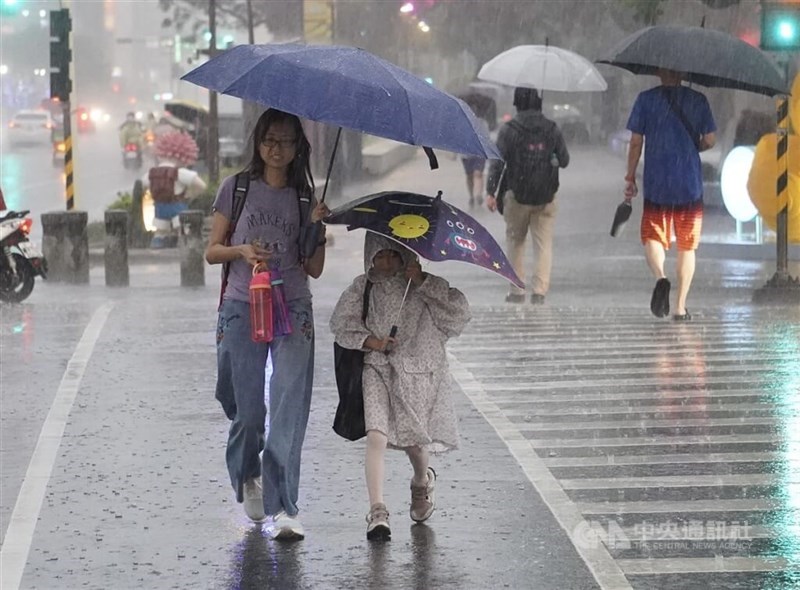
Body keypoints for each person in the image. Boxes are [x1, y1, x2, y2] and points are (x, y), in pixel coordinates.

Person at [205, 108, 329, 540]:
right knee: (249, 413)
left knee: (288, 410)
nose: (277, 149)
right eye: (269, 140)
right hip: (243, 305)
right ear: (258, 143)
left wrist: (318, 230)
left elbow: (313, 268)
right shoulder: (236, 188)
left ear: (299, 148)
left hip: (292, 307)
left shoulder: (303, 197)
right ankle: (247, 473)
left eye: (286, 142)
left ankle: (286, 506)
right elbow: (211, 251)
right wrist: (241, 251)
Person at [329, 234, 471, 541]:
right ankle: (377, 509)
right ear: (370, 257)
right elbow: (341, 323)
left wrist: (422, 281)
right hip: (376, 367)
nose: (387, 262)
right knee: (376, 435)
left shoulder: (420, 284)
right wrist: (374, 343)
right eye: (380, 256)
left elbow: (459, 312)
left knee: (413, 440)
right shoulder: (362, 287)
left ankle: (421, 481)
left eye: (394, 255)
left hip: (416, 373)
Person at [624, 68, 716, 321]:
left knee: (653, 236)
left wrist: (630, 176)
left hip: (658, 181)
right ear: (684, 72)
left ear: (658, 72)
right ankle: (679, 307)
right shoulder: (698, 100)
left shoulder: (646, 99)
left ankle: (661, 278)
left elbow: (635, 142)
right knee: (687, 246)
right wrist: (693, 146)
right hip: (688, 183)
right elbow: (710, 139)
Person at [486, 87, 569, 305]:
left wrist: (491, 192)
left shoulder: (509, 130)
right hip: (546, 195)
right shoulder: (551, 129)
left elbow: (497, 162)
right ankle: (540, 291)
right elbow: (565, 160)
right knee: (543, 244)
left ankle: (517, 290)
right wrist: (549, 153)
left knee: (515, 241)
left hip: (516, 194)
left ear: (517, 104)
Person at [141, 131, 207, 248]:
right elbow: (202, 185)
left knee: (160, 232)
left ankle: (156, 250)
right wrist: (190, 195)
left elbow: (143, 185)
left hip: (160, 207)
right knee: (182, 231)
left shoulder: (152, 173)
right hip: (177, 207)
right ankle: (184, 251)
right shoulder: (180, 173)